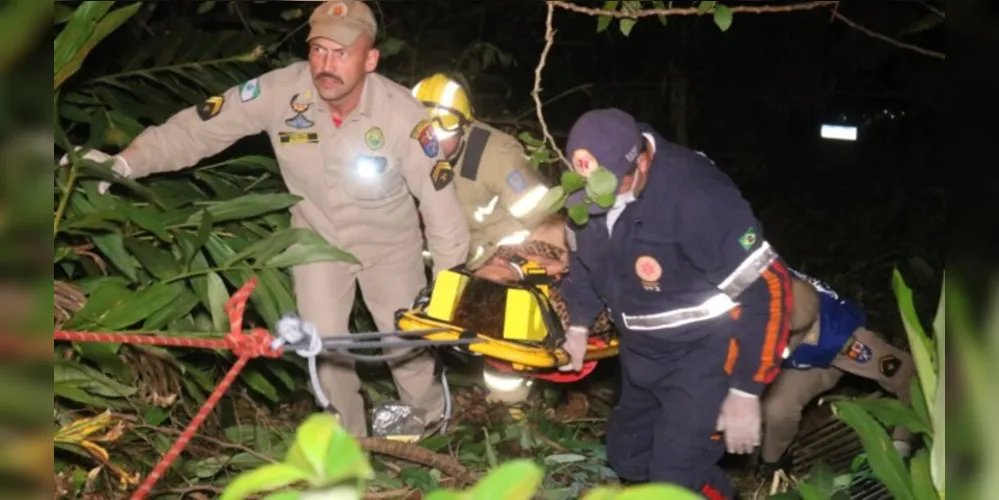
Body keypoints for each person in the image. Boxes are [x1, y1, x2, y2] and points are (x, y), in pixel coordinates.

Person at [58, 0, 469, 437]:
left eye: (342, 53)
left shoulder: (403, 115)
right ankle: (353, 441)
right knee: (323, 344)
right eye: (319, 49)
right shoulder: (279, 92)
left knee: (404, 342)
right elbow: (198, 130)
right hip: (318, 242)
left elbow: (440, 206)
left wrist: (449, 294)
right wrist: (124, 163)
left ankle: (430, 422)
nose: (326, 65)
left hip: (391, 247)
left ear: (370, 60)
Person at [557, 108, 793, 500]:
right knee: (628, 456)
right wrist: (579, 325)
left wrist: (746, 391)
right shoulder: (588, 192)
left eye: (615, 186)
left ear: (644, 159)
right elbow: (585, 259)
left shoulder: (697, 198)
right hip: (643, 355)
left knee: (671, 480)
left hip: (707, 356)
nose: (604, 201)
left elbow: (768, 288)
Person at [757, 269, 916, 475]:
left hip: (829, 351)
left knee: (907, 380)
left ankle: (902, 449)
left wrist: (901, 446)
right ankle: (773, 465)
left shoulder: (842, 337)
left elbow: (910, 378)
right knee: (777, 409)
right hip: (795, 355)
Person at [410, 73, 553, 267]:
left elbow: (545, 222)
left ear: (462, 127)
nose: (432, 148)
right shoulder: (405, 153)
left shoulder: (496, 154)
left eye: (442, 137)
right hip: (450, 262)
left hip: (507, 260)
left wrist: (512, 264)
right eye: (424, 139)